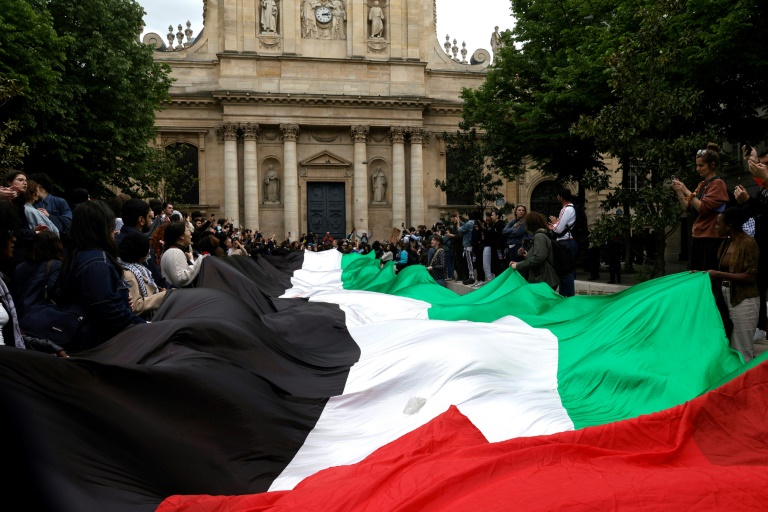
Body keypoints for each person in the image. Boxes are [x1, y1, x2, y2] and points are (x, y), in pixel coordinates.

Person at [57, 200, 146, 352]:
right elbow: (109, 308)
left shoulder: (77, 254)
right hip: (102, 344)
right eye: (111, 225)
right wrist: (145, 328)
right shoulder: (97, 262)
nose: (115, 231)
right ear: (101, 228)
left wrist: (121, 296)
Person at [707, 207, 760, 362]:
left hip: (744, 299)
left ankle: (745, 375)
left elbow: (750, 277)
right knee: (728, 344)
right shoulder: (725, 243)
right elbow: (719, 270)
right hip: (726, 296)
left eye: (718, 224)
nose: (715, 227)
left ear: (729, 225)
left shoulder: (748, 243)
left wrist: (719, 275)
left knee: (742, 347)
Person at [671, 143, 728, 271]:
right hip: (699, 235)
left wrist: (685, 190)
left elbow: (703, 208)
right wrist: (679, 191)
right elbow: (688, 207)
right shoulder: (702, 184)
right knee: (696, 272)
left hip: (712, 238)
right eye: (697, 165)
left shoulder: (718, 184)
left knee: (707, 274)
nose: (697, 169)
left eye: (701, 165)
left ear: (712, 165)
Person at [735, 146, 768, 342]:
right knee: (760, 286)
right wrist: (744, 201)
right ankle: (760, 326)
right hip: (762, 245)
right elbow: (758, 209)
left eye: (766, 164)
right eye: (761, 164)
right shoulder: (763, 188)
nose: (761, 167)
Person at [13, 231, 63, 320]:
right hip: (43, 316)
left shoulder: (19, 267)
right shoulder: (56, 265)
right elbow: (55, 291)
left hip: (21, 315)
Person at [118, 232, 167, 320]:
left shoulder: (137, 268)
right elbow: (137, 306)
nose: (149, 251)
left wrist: (158, 290)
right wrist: (164, 295)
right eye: (147, 247)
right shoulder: (128, 274)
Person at [511, 211, 559, 290]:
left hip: (543, 279)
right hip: (543, 278)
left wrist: (518, 266)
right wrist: (526, 256)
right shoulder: (541, 235)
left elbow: (538, 258)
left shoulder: (539, 236)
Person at [548, 189, 578, 296]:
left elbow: (559, 229)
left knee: (565, 272)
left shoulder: (566, 209)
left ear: (561, 197)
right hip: (570, 241)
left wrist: (554, 224)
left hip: (565, 242)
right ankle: (566, 297)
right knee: (566, 271)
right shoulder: (572, 208)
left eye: (558, 196)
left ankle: (568, 298)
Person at [160, 221, 206, 288]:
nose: (191, 234)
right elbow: (181, 279)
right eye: (188, 231)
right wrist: (201, 260)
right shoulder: (174, 252)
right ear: (181, 236)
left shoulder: (174, 251)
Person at [452, 211, 476, 285]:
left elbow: (459, 229)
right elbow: (464, 225)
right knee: (467, 262)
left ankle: (471, 277)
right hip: (469, 245)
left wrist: (458, 222)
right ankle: (468, 276)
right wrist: (459, 219)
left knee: (469, 262)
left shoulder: (469, 224)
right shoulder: (473, 223)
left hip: (468, 245)